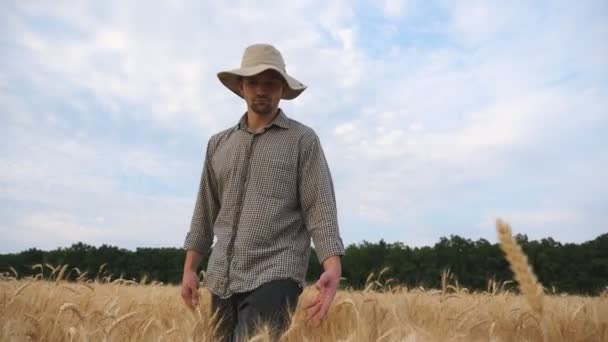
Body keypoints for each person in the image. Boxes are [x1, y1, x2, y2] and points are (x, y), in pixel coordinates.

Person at [181, 43, 345, 341]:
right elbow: (205, 209)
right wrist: (190, 268)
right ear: (241, 87)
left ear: (282, 89)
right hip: (221, 276)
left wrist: (332, 266)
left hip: (275, 271)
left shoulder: (302, 140)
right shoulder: (218, 144)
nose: (261, 90)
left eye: (270, 83)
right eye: (253, 82)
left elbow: (319, 207)